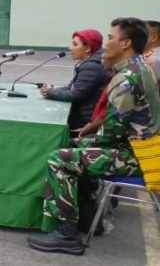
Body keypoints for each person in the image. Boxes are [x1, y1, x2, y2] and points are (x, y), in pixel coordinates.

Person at [28, 17, 159, 255]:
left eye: (111, 38)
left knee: (60, 159)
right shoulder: (142, 68)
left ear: (126, 43)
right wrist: (81, 142)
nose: (107, 43)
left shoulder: (126, 78)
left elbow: (112, 133)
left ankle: (67, 234)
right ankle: (88, 216)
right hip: (143, 148)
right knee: (72, 145)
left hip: (136, 155)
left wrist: (82, 141)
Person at [40, 29, 109, 132]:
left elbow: (76, 94)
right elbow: (72, 86)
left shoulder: (91, 66)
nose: (70, 48)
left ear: (88, 48)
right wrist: (52, 90)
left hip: (83, 123)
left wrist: (50, 93)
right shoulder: (88, 63)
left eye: (75, 44)